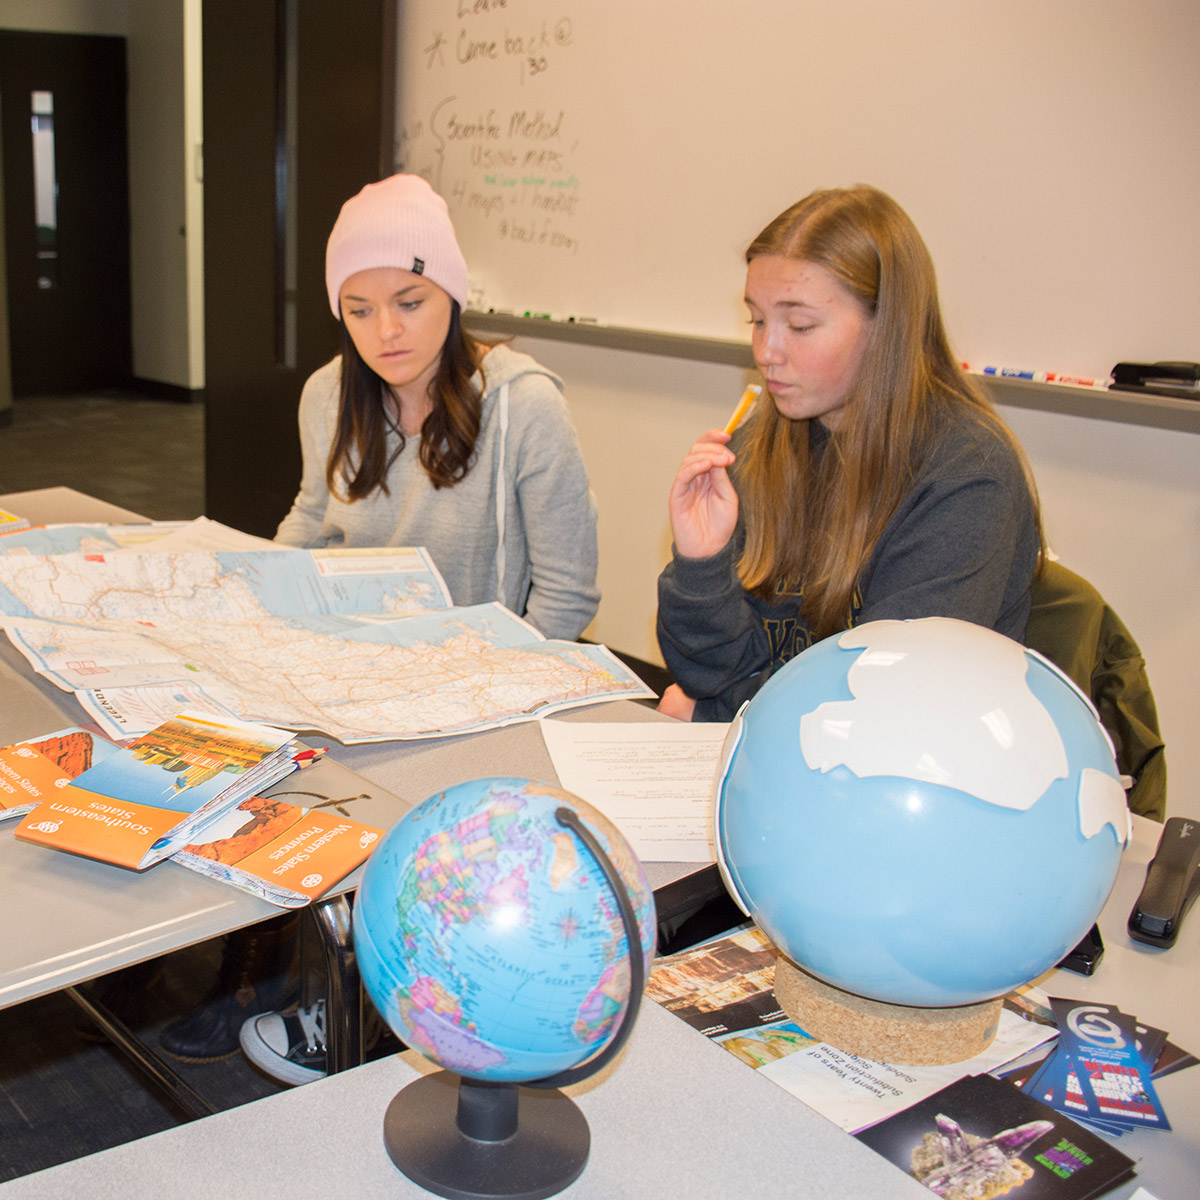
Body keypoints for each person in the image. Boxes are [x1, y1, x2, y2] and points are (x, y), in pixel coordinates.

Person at [159, 174, 599, 1080]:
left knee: (377, 814)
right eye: (357, 310)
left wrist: (498, 699)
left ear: (452, 293)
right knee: (242, 744)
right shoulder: (330, 393)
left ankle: (348, 986)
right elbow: (311, 516)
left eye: (409, 301)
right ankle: (264, 965)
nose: (385, 332)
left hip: (474, 689)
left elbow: (567, 593)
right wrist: (247, 590)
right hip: (354, 669)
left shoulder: (524, 405)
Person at [656, 185, 1042, 723]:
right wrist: (701, 564)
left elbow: (881, 705)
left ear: (888, 328)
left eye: (801, 325)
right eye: (758, 320)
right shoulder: (760, 445)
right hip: (778, 745)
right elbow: (704, 671)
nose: (767, 351)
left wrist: (713, 710)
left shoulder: (968, 475)